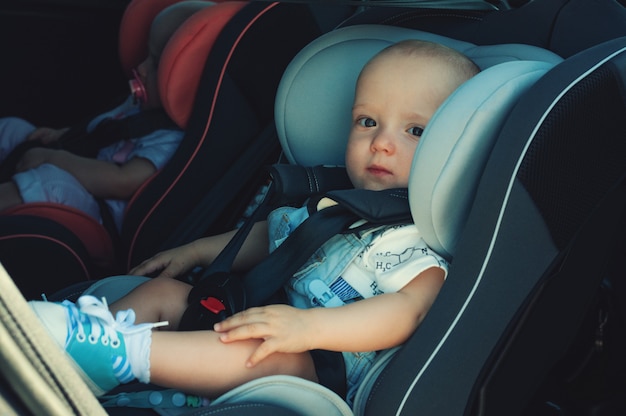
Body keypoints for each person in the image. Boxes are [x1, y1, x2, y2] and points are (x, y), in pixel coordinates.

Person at [29, 39, 480, 405]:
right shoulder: (335, 204)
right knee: (165, 294)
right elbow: (276, 237)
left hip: (317, 368)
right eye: (367, 121)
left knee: (268, 356)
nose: (380, 143)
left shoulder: (419, 245)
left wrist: (308, 329)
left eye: (414, 130)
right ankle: (62, 354)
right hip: (266, 318)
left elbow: (408, 311)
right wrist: (196, 252)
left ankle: (122, 352)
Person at [0, 1, 209, 231]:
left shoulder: (170, 140)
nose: (141, 68)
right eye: (147, 55)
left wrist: (54, 159)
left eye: (156, 63)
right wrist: (63, 136)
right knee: (13, 128)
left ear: (189, 85)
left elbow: (123, 181)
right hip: (83, 167)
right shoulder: (142, 104)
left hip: (98, 210)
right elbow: (101, 131)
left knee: (48, 182)